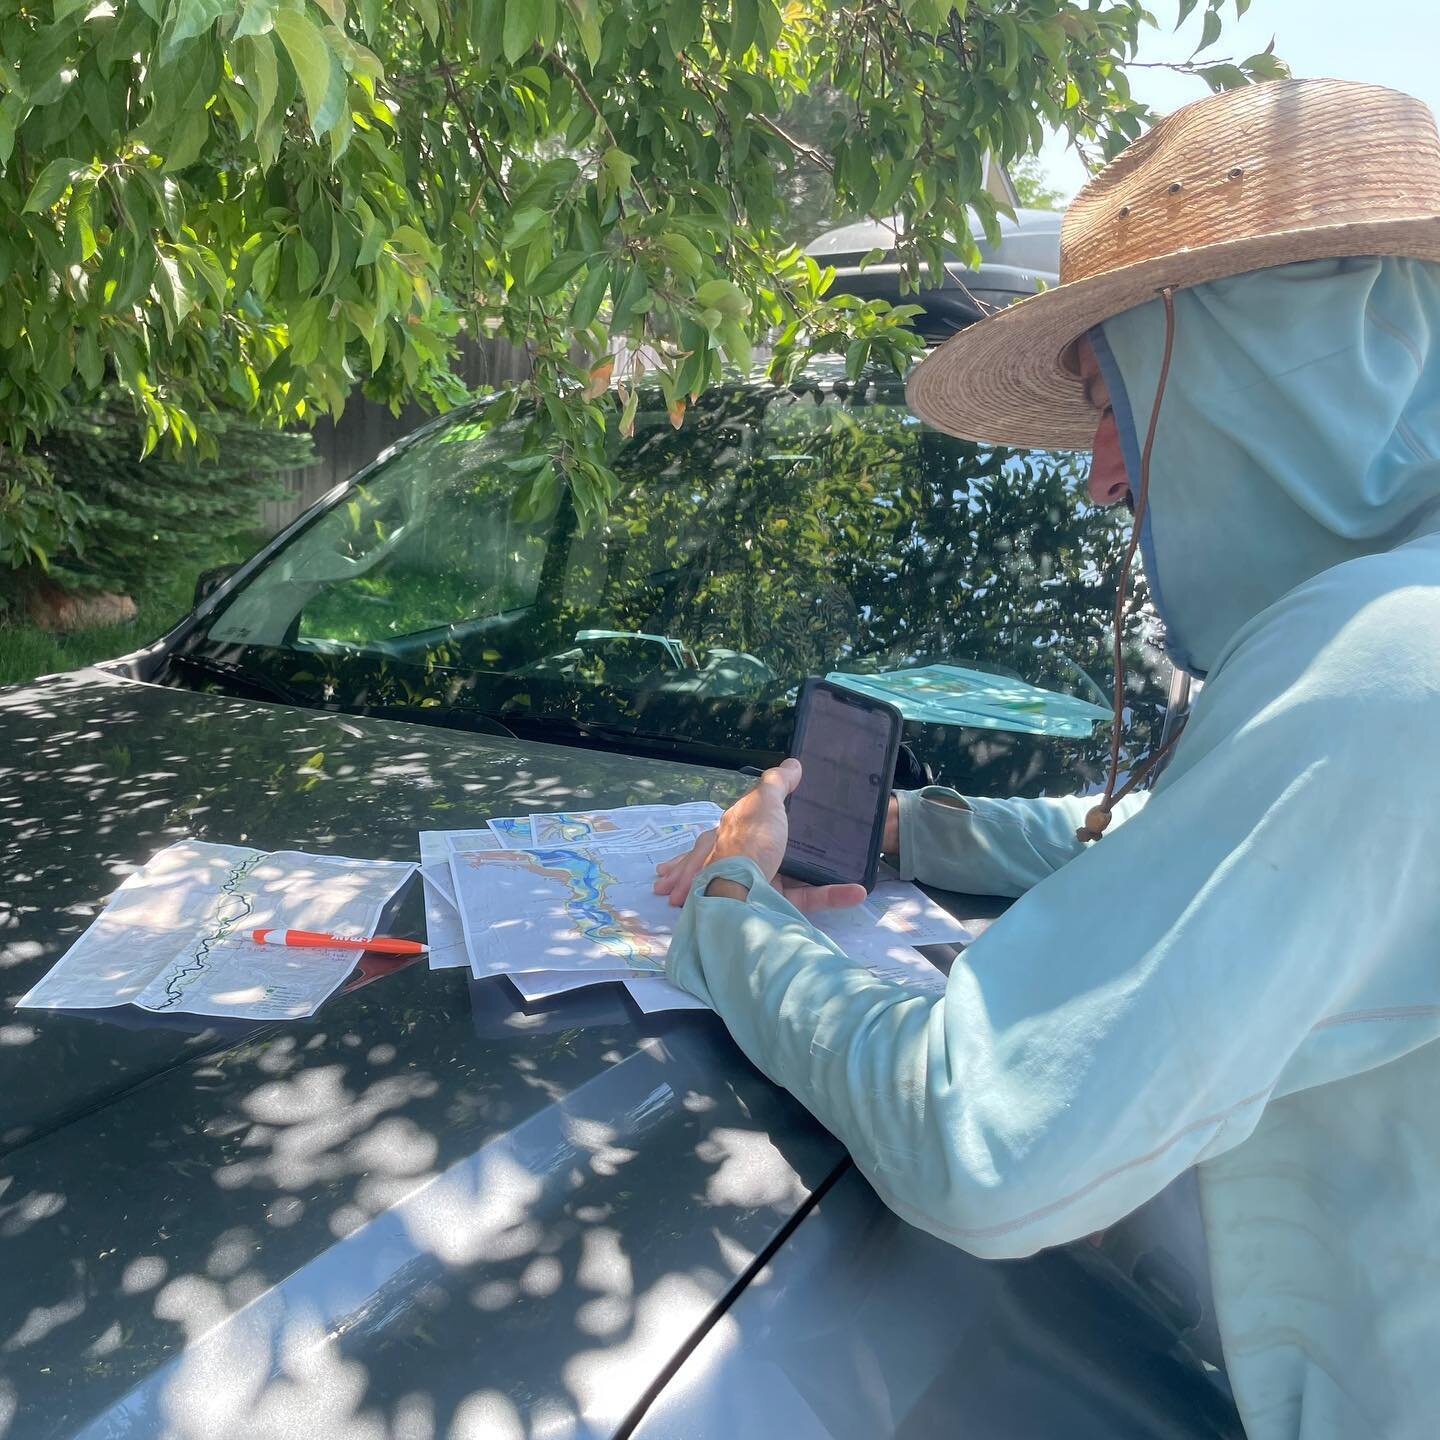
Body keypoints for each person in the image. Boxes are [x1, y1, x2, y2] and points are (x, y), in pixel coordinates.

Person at [653, 78, 1440, 1440]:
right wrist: (914, 834)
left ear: (1265, 361)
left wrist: (730, 906)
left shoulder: (1385, 659)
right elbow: (1193, 835)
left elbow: (988, 1146)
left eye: (1110, 393)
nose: (1098, 479)